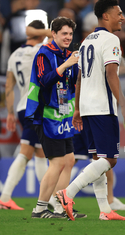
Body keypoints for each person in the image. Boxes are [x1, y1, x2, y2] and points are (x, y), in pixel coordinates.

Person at [56, 0, 125, 221]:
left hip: (87, 107)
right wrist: (124, 105)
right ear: (106, 16)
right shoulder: (111, 39)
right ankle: (67, 193)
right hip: (102, 106)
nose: (122, 17)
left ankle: (105, 211)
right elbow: (111, 74)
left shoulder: (87, 39)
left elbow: (79, 78)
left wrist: (78, 109)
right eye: (119, 13)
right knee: (109, 160)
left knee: (97, 159)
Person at [26, 17, 85, 219]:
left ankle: (61, 206)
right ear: (54, 34)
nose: (68, 37)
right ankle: (40, 209)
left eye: (70, 34)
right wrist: (66, 64)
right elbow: (44, 80)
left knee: (69, 160)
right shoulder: (44, 53)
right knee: (58, 162)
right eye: (64, 34)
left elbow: (74, 81)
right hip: (45, 115)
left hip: (62, 116)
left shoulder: (69, 55)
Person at [0, 20, 49, 210]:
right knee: (26, 153)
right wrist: (42, 32)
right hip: (34, 107)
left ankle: (49, 199)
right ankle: (5, 196)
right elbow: (54, 35)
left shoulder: (14, 55)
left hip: (21, 106)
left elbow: (9, 86)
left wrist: (10, 112)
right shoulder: (38, 51)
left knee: (40, 153)